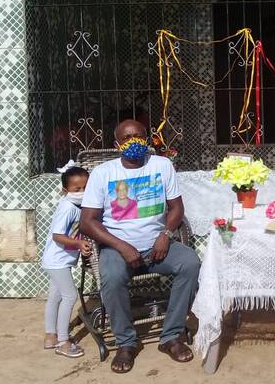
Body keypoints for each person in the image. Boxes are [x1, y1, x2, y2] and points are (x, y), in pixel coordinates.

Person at [80, 120, 201, 374]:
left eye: (139, 136)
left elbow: (177, 208)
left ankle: (171, 336)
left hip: (157, 245)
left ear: (147, 139)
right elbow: (87, 222)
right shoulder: (103, 173)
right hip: (117, 247)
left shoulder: (162, 165)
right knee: (111, 277)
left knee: (190, 263)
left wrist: (166, 234)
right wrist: (121, 246)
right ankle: (126, 343)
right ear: (117, 144)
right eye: (127, 137)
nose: (133, 141)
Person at [42, 162, 92, 358]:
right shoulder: (68, 207)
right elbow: (57, 235)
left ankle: (50, 336)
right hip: (57, 261)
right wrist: (79, 245)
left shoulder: (76, 206)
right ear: (65, 191)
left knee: (55, 297)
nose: (82, 192)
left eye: (85, 188)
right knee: (70, 296)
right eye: (77, 189)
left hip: (57, 260)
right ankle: (63, 341)